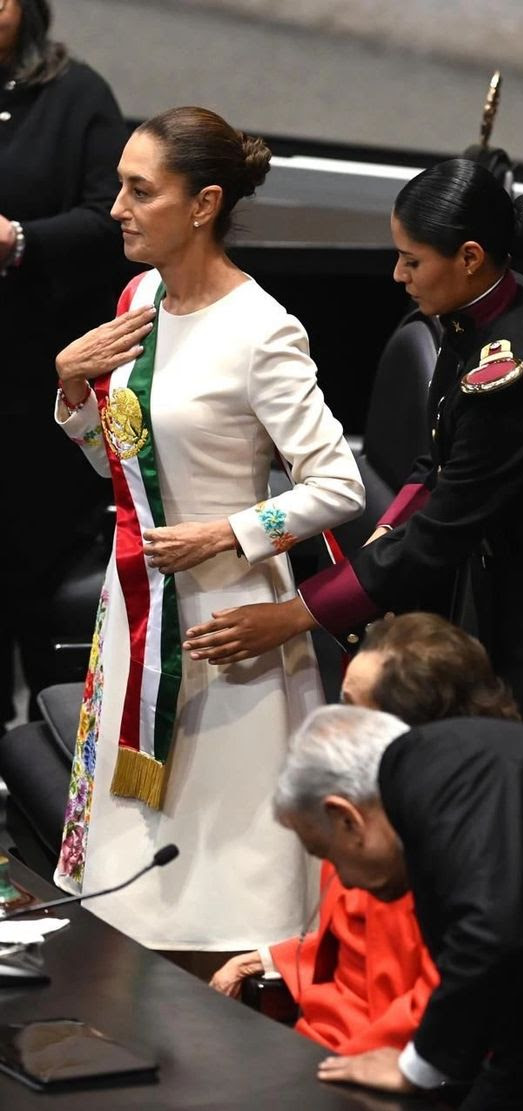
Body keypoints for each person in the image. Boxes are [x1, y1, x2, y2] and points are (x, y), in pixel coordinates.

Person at [183, 158, 523, 731]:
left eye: (412, 260)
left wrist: (295, 614)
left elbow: (441, 532)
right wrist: (386, 536)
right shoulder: (480, 313)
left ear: (469, 257)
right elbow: (437, 461)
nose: (397, 275)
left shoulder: (513, 376)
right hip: (510, 572)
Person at [51, 105, 365, 970]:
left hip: (225, 626)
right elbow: (120, 465)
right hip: (138, 607)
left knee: (224, 866)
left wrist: (226, 532)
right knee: (132, 875)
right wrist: (73, 393)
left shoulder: (263, 332)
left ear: (203, 204)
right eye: (119, 184)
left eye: (138, 190)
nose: (115, 206)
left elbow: (336, 485)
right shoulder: (139, 298)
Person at [274, 704, 523, 1111]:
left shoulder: (428, 773)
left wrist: (416, 1068)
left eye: (324, 851)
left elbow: (488, 936)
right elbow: (522, 1034)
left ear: (346, 818)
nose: (343, 881)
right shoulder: (450, 781)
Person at [209, 612, 518, 1053]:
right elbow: (352, 949)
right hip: (316, 1045)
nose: (336, 720)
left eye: (354, 706)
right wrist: (267, 958)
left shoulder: (444, 845)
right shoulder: (363, 803)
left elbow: (435, 1000)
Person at [0, 0, 133, 730]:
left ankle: (53, 756)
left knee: (36, 581)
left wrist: (20, 241)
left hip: (34, 393)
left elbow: (111, 219)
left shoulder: (76, 95)